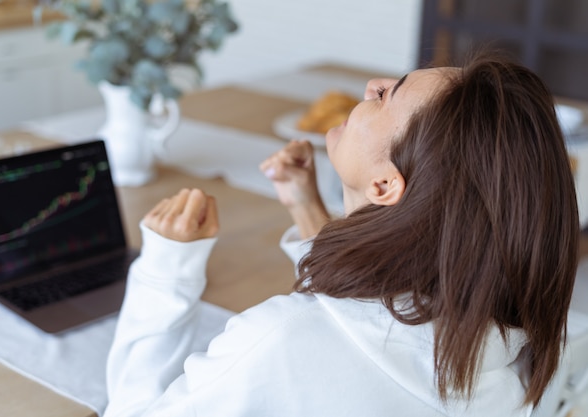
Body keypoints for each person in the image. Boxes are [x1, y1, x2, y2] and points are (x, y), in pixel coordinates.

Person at [102, 53, 578, 417]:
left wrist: (166, 273)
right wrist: (309, 210)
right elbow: (377, 332)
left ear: (385, 185)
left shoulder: (278, 341)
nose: (374, 85)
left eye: (389, 96)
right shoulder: (524, 345)